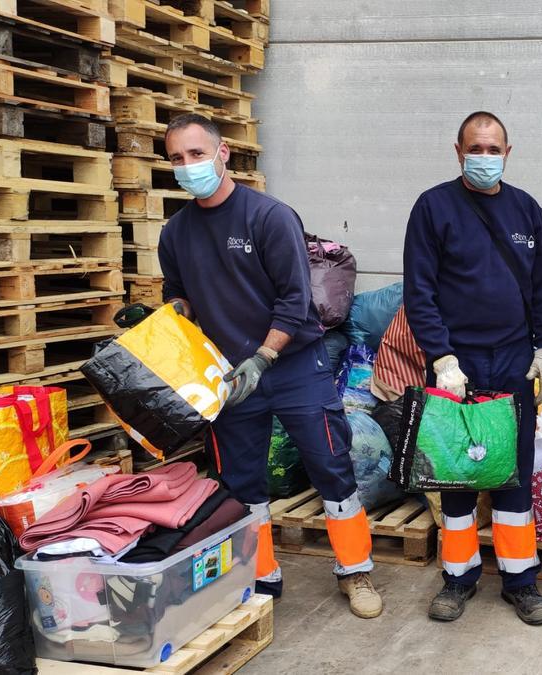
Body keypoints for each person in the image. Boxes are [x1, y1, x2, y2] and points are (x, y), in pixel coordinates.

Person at [158, 113, 381, 619]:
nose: (188, 166)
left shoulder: (268, 217)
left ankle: (357, 571)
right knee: (241, 480)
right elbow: (182, 297)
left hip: (294, 365)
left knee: (330, 465)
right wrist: (169, 313)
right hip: (232, 378)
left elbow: (295, 300)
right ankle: (261, 577)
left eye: (196, 154)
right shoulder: (176, 233)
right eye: (176, 158)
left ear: (223, 154)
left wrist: (263, 357)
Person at [403, 111, 542, 625]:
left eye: (494, 150)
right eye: (476, 149)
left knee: (515, 478)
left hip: (515, 362)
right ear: (458, 151)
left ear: (508, 153)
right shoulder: (433, 208)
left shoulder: (527, 210)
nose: (485, 158)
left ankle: (521, 581)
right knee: (457, 476)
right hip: (457, 366)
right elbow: (420, 292)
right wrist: (441, 357)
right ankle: (459, 578)